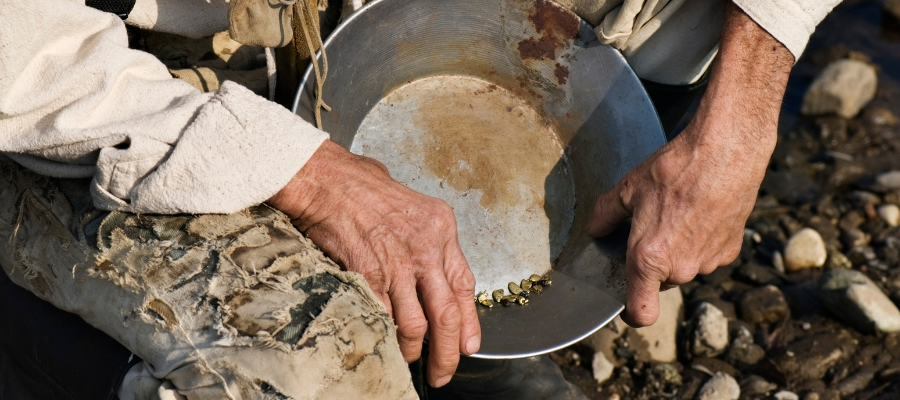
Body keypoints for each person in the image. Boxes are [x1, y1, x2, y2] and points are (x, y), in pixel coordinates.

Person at [0, 0, 840, 398]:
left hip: (359, 26)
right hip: (109, 89)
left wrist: (746, 108)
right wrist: (312, 175)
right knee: (314, 379)